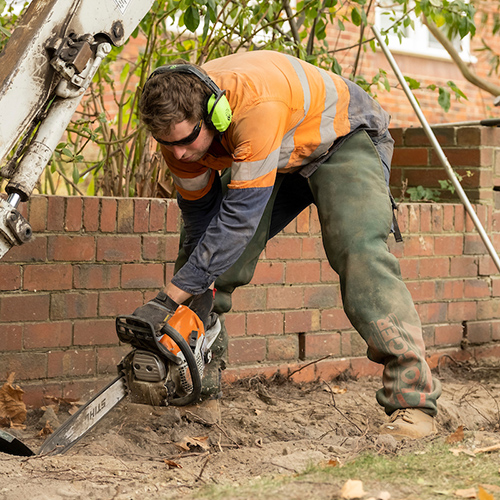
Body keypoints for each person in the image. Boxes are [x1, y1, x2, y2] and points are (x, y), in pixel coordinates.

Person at [134, 50, 442, 439]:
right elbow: (202, 224)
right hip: (278, 154)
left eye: (186, 139)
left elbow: (238, 221)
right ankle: (197, 391)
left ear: (214, 114)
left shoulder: (254, 107)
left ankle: (413, 403)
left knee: (360, 253)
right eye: (167, 143)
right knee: (208, 262)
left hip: (342, 138)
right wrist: (185, 291)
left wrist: (166, 299)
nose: (178, 152)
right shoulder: (178, 139)